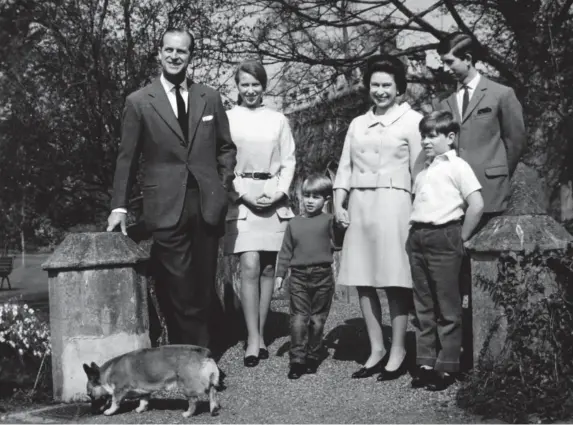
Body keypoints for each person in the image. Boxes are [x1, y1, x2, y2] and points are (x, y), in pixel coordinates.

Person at [106, 28, 237, 349]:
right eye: (169, 50)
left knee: (204, 285)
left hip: (206, 204)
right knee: (179, 287)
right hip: (164, 206)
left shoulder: (210, 97)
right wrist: (119, 207)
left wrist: (221, 187)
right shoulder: (138, 102)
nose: (175, 56)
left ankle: (194, 356)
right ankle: (194, 358)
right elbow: (127, 158)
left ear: (191, 56)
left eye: (182, 51)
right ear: (159, 54)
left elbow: (226, 148)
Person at [435, 31, 526, 369]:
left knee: (493, 275)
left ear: (468, 59)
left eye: (449, 61)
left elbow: (516, 139)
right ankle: (463, 355)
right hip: (454, 201)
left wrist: (496, 173)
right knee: (457, 279)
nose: (444, 68)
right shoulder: (443, 103)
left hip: (492, 198)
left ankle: (498, 355)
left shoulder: (502, 94)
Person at [333, 55, 424, 381]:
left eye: (387, 85)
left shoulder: (413, 121)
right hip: (361, 206)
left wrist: (420, 210)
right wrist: (339, 200)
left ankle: (398, 348)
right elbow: (345, 166)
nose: (381, 91)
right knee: (363, 279)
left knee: (394, 280)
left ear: (399, 87)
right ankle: (376, 348)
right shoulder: (358, 124)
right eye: (376, 85)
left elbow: (420, 172)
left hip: (394, 206)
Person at [224, 59, 296, 367]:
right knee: (249, 264)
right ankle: (251, 337)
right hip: (242, 198)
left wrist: (279, 192)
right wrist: (243, 194)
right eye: (244, 84)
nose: (250, 90)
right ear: (237, 87)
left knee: (268, 267)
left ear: (263, 86)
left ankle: (261, 334)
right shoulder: (227, 119)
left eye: (256, 84)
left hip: (274, 197)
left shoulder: (278, 119)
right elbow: (224, 162)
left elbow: (289, 159)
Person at [407, 111, 484, 391]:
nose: (425, 141)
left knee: (448, 306)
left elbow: (476, 204)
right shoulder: (424, 170)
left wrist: (461, 239)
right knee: (423, 305)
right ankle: (425, 363)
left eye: (432, 135)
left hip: (446, 236)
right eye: (423, 136)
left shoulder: (458, 166)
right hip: (418, 237)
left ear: (450, 138)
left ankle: (448, 365)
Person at [274, 174, 343, 380]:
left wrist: (341, 224)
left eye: (316, 196)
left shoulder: (329, 220)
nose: (310, 200)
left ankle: (313, 355)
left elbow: (338, 243)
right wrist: (280, 275)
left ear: (326, 200)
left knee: (317, 321)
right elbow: (286, 251)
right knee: (298, 319)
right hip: (298, 277)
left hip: (322, 276)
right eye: (307, 195)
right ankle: (297, 360)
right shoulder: (294, 223)